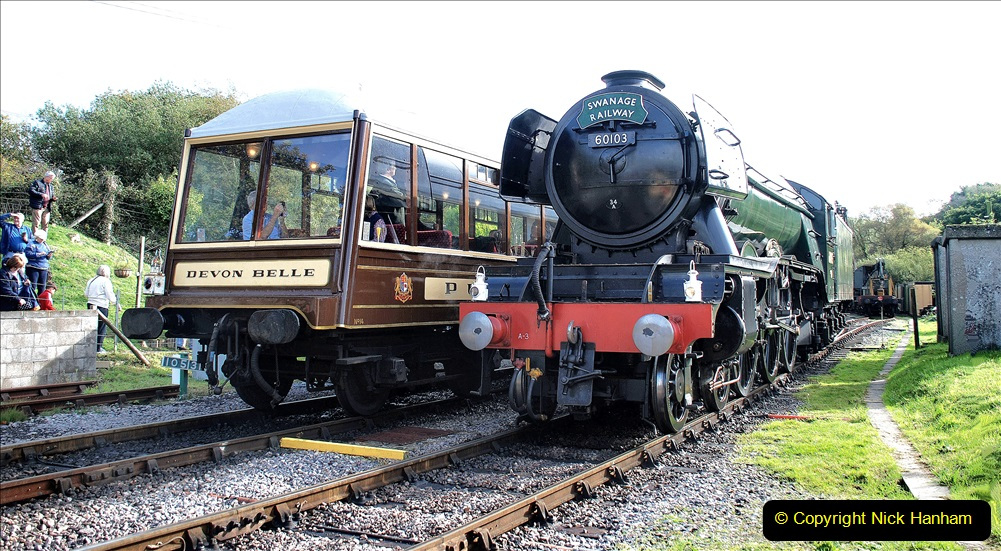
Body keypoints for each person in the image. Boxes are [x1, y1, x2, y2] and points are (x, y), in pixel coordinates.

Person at [85, 264, 120, 354]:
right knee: (101, 327)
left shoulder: (91, 280)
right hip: (101, 305)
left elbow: (86, 294)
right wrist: (116, 303)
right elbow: (109, 294)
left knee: (92, 326)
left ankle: (90, 346)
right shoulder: (106, 281)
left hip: (90, 304)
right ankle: (98, 348)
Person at [25, 228, 53, 296]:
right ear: (37, 237)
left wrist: (49, 256)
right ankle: (31, 300)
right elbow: (27, 254)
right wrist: (38, 254)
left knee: (42, 287)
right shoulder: (31, 243)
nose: (42, 240)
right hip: (33, 267)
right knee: (33, 286)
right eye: (41, 239)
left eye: (43, 239)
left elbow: (48, 256)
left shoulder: (45, 245)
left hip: (44, 268)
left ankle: (41, 300)